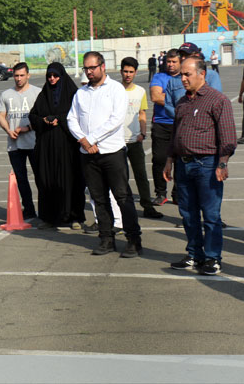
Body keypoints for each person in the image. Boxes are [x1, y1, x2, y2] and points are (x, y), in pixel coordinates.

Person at [164, 57, 236, 275]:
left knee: (211, 215)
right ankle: (194, 254)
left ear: (202, 74)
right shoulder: (182, 102)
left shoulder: (218, 100)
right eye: (182, 75)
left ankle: (213, 258)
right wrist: (170, 160)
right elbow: (175, 134)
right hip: (183, 165)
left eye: (187, 74)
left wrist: (222, 163)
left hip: (207, 165)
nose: (183, 79)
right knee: (188, 213)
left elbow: (228, 136)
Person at [68, 52, 142, 257]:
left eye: (92, 68)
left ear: (102, 67)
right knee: (98, 198)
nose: (89, 72)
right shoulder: (81, 93)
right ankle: (106, 239)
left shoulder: (116, 89)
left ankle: (133, 240)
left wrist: (91, 138)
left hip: (112, 152)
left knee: (122, 197)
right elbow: (72, 119)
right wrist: (83, 140)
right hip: (88, 154)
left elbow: (116, 120)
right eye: (86, 68)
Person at [28, 63, 85, 229]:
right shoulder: (44, 94)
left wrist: (59, 118)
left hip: (68, 147)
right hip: (47, 147)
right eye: (49, 76)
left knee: (71, 180)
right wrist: (44, 120)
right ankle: (49, 218)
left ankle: (74, 217)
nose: (52, 79)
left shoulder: (72, 94)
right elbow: (33, 115)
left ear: (62, 76)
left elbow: (78, 115)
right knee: (47, 181)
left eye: (55, 76)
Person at [0, 62, 41, 222]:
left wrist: (27, 128)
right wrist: (8, 130)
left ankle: (45, 209)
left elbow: (42, 118)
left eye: (22, 75)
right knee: (21, 179)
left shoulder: (37, 93)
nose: (19, 78)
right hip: (14, 144)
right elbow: (1, 115)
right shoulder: (6, 94)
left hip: (34, 143)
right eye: (16, 75)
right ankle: (29, 209)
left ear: (28, 75)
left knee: (41, 178)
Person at [120, 57, 162, 219]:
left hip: (134, 141)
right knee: (120, 178)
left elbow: (142, 113)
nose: (128, 74)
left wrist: (143, 133)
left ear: (135, 72)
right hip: (117, 142)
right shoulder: (114, 90)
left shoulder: (140, 91)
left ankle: (147, 206)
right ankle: (122, 209)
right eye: (125, 71)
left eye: (131, 72)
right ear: (121, 71)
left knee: (141, 176)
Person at [148, 48, 180, 206]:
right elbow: (155, 96)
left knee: (180, 161)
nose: (171, 64)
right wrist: (178, 98)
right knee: (159, 159)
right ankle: (161, 193)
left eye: (174, 62)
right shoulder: (159, 77)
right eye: (168, 61)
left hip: (180, 124)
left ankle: (178, 193)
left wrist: (166, 96)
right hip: (161, 124)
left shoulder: (184, 77)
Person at [164, 43, 222, 121]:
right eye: (181, 55)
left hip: (204, 123)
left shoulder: (211, 75)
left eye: (186, 55)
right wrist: (183, 116)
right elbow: (168, 106)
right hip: (182, 123)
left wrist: (197, 117)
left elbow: (216, 100)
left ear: (197, 55)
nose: (183, 58)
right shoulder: (173, 81)